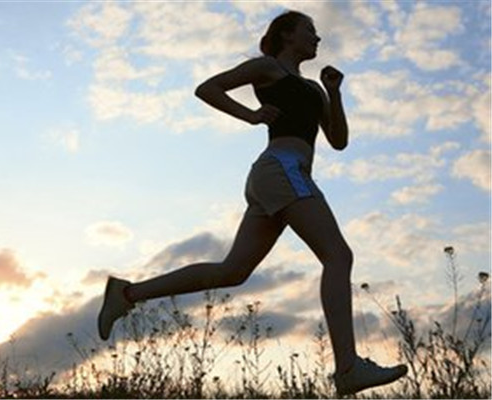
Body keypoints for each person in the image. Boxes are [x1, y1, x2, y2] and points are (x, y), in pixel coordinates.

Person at [97, 10, 407, 395]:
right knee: (338, 256)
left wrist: (334, 93)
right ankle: (347, 368)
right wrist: (252, 116)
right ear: (287, 34)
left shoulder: (312, 89)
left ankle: (127, 294)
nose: (318, 37)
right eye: (310, 30)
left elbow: (339, 140)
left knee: (232, 271)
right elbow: (208, 88)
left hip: (278, 176)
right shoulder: (268, 67)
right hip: (281, 169)